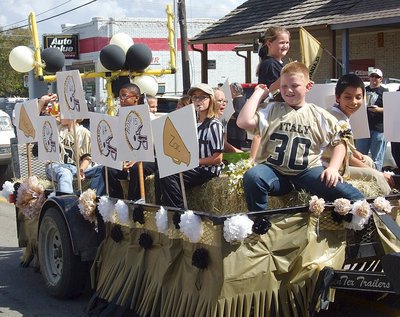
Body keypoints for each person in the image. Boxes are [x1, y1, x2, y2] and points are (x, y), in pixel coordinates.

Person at [237, 62, 364, 211]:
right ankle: (259, 218)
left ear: (308, 86)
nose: (289, 90)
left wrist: (333, 168)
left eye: (295, 85)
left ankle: (359, 227)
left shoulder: (320, 115)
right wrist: (257, 94)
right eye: (284, 86)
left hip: (308, 172)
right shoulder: (271, 109)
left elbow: (340, 142)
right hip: (275, 172)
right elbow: (243, 121)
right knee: (253, 176)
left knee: (354, 196)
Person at [325, 74, 393, 195]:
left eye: (358, 97)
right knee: (377, 178)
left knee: (367, 160)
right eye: (348, 97)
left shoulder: (339, 114)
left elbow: (347, 149)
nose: (354, 102)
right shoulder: (338, 120)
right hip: (329, 166)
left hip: (338, 162)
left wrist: (355, 151)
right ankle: (386, 205)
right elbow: (347, 158)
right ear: (337, 98)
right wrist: (377, 173)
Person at [159, 83, 224, 208]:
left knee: (169, 175)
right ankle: (161, 209)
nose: (198, 101)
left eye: (202, 97)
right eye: (195, 97)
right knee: (160, 173)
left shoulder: (214, 125)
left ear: (211, 100)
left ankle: (179, 213)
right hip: (192, 166)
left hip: (207, 170)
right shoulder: (190, 123)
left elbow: (217, 158)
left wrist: (194, 161)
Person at [105, 83, 158, 200]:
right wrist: (122, 159)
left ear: (136, 98)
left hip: (148, 158)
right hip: (127, 158)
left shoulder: (148, 117)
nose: (121, 100)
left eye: (124, 96)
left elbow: (152, 145)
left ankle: (134, 202)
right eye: (119, 97)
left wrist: (137, 158)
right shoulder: (119, 118)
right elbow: (117, 142)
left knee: (136, 168)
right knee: (109, 168)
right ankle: (116, 201)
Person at [45, 118, 104, 195]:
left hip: (75, 167)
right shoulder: (57, 126)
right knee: (65, 173)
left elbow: (86, 158)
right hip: (56, 165)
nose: (60, 115)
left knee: (101, 169)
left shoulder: (84, 133)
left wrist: (81, 170)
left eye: (63, 112)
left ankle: (92, 198)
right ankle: (66, 202)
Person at [355, 68, 388, 171]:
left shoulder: (385, 91)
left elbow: (391, 109)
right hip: (363, 128)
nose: (374, 78)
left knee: (377, 159)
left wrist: (379, 110)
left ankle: (377, 177)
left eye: (377, 77)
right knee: (360, 156)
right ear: (369, 77)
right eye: (372, 76)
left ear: (381, 79)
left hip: (379, 129)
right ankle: (361, 177)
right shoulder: (363, 90)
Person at [257, 26, 290, 91]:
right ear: (269, 44)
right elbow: (268, 90)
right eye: (282, 42)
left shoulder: (276, 63)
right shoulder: (270, 64)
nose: (285, 46)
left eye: (287, 42)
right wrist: (289, 74)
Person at [214, 88, 242, 153]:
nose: (223, 104)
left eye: (225, 101)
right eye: (220, 100)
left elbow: (223, 141)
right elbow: (222, 144)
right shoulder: (212, 123)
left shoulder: (221, 120)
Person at [226, 82, 247, 149]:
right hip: (236, 132)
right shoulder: (241, 100)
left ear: (235, 91)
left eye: (230, 90)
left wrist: (227, 114)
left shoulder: (237, 101)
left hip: (235, 133)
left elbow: (237, 114)